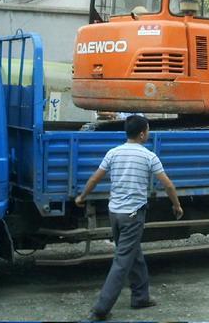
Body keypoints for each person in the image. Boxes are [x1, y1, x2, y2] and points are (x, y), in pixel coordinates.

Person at [75, 115, 183, 321]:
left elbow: (95, 177)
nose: (148, 134)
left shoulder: (113, 153)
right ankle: (100, 309)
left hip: (114, 213)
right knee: (122, 261)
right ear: (142, 133)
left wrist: (82, 196)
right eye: (148, 130)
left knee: (133, 253)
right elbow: (168, 185)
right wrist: (177, 205)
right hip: (133, 215)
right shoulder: (149, 156)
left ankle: (141, 297)